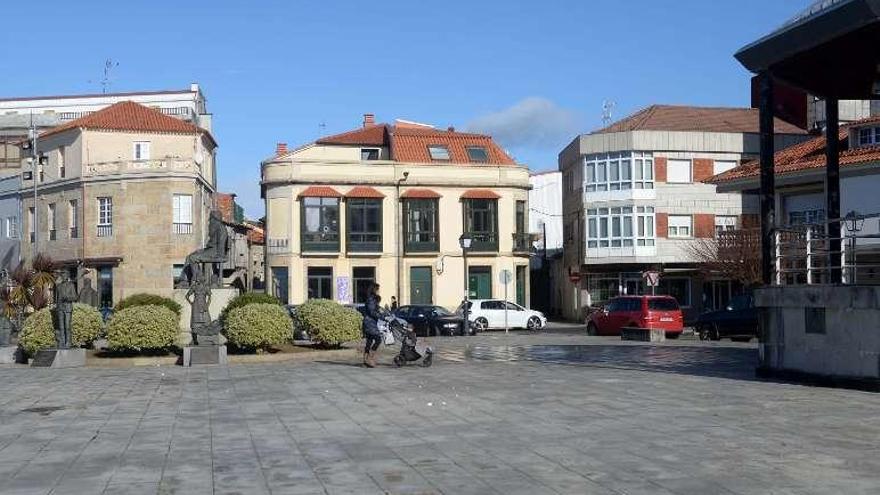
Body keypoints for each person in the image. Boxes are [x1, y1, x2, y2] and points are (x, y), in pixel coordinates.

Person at [362, 282, 383, 368]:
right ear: (374, 290)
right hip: (369, 322)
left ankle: (365, 360)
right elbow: (372, 312)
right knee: (378, 339)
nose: (379, 291)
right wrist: (380, 316)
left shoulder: (372, 299)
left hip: (370, 322)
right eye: (378, 289)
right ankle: (370, 358)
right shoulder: (371, 299)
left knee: (369, 340)